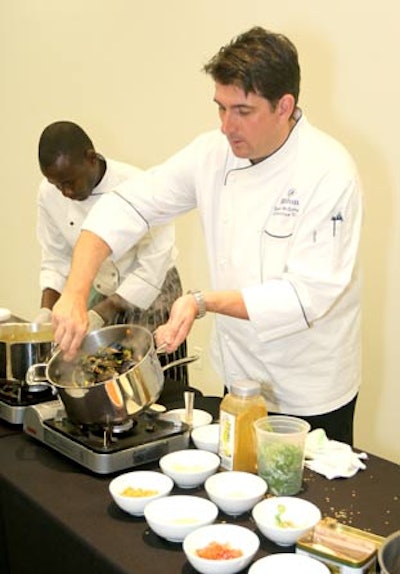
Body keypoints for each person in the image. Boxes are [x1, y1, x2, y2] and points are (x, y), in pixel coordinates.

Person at [51, 28, 363, 445]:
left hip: (309, 386)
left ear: (284, 106)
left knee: (308, 508)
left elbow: (306, 295)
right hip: (240, 377)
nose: (226, 126)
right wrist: (75, 290)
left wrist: (203, 301)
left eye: (242, 111)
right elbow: (128, 206)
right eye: (220, 108)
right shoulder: (212, 155)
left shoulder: (329, 171)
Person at [35, 121, 188, 382]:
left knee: (152, 375)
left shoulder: (139, 185)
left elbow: (152, 267)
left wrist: (101, 312)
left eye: (70, 182)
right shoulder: (49, 193)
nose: (66, 192)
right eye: (57, 185)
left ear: (91, 158)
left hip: (152, 293)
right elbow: (56, 258)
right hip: (102, 288)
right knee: (97, 374)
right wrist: (46, 314)